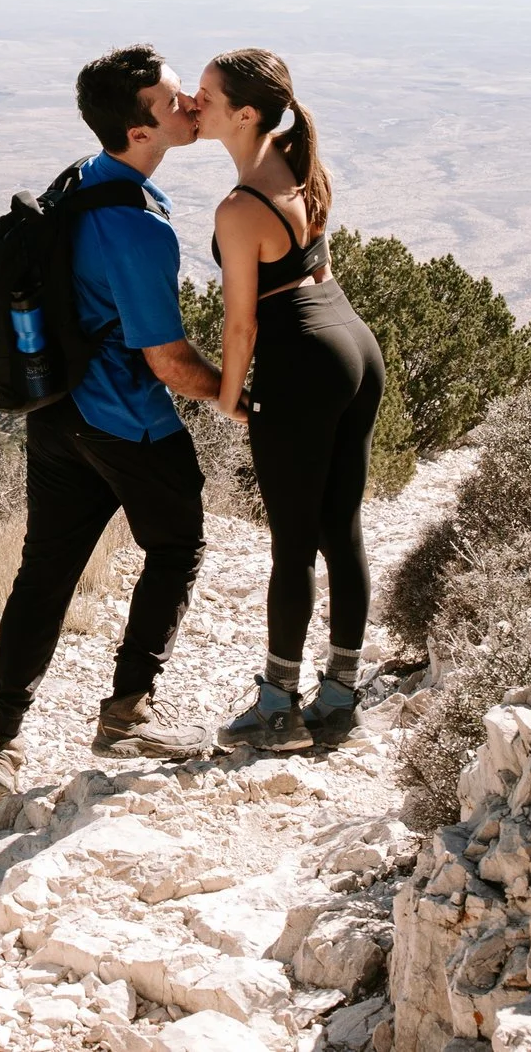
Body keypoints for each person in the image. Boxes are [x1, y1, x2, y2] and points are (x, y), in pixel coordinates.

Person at [0, 44, 226, 810]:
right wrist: (240, 397)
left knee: (44, 573)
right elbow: (169, 361)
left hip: (56, 415)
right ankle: (127, 712)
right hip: (127, 422)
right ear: (141, 129)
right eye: (176, 99)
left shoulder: (81, 179)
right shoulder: (141, 228)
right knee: (177, 542)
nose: (189, 107)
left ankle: (2, 742)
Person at [195, 48, 385, 752]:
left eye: (207, 97)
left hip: (302, 363)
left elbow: (241, 321)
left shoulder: (239, 208)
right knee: (343, 527)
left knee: (293, 544)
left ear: (244, 114)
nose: (196, 105)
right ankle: (339, 694)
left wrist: (226, 393)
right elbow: (318, 265)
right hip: (354, 344)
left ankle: (278, 710)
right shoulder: (296, 159)